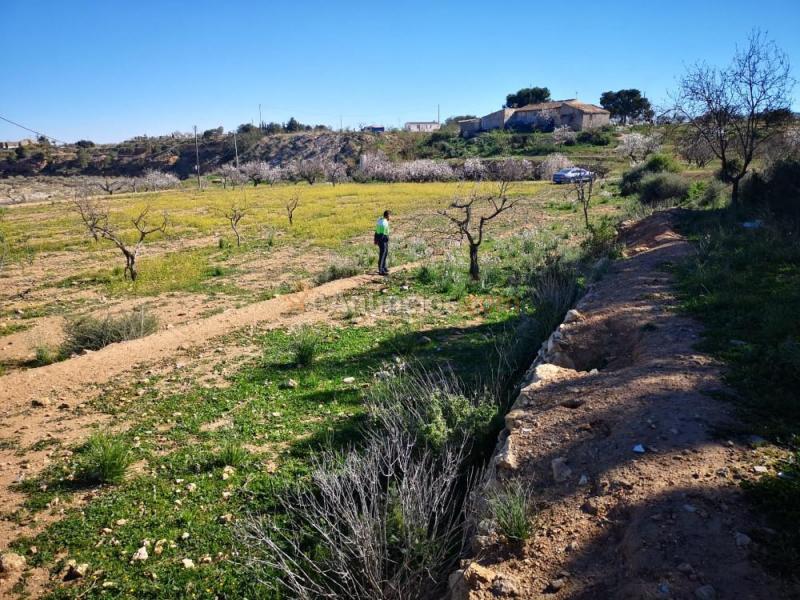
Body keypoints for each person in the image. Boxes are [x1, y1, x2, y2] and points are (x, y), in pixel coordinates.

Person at [374, 210, 391, 276]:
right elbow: (381, 233)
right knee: (382, 253)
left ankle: (384, 267)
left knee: (385, 252)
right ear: (388, 215)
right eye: (390, 216)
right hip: (382, 239)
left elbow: (376, 231)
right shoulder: (383, 222)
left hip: (382, 239)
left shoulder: (381, 220)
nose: (391, 217)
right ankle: (381, 270)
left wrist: (375, 240)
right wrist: (379, 241)